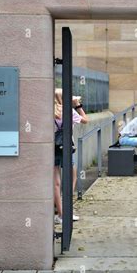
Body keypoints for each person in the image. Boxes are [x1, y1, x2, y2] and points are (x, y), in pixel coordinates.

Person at [54, 89, 88, 224]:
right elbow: (86, 120)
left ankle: (60, 214)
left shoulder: (49, 111)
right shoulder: (69, 111)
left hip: (52, 149)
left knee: (56, 183)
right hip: (66, 148)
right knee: (71, 178)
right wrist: (78, 105)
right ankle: (67, 211)